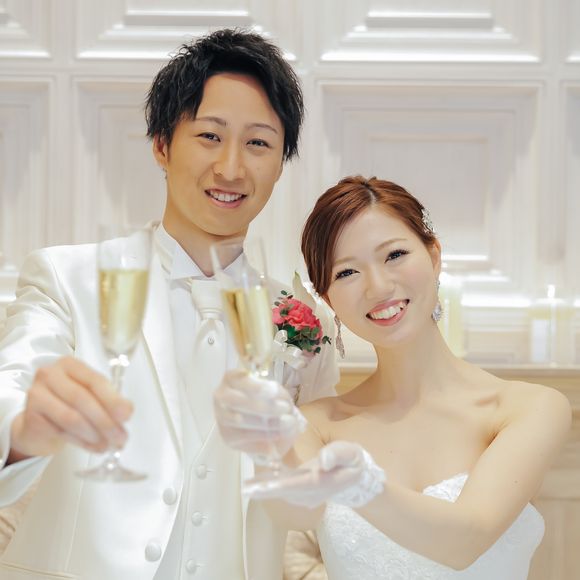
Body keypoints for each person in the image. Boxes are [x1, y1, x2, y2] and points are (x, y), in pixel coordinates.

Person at [0, 29, 337, 580]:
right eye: (209, 136)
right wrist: (20, 434)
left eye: (258, 144)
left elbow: (316, 489)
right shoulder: (68, 278)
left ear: (281, 163)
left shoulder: (302, 320)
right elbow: (11, 385)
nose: (231, 168)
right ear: (162, 145)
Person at [215, 175, 572, 579]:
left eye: (395, 255)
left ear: (434, 256)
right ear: (328, 299)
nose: (379, 287)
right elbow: (294, 513)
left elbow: (466, 541)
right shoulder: (317, 424)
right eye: (347, 273)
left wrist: (362, 486)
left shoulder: (529, 408)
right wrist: (268, 449)